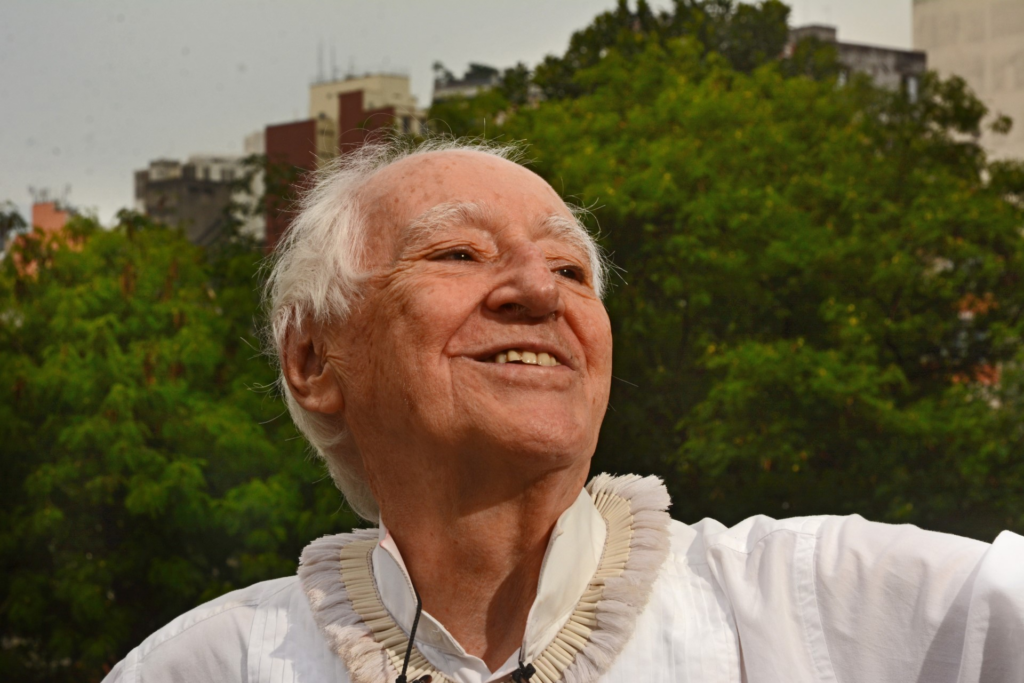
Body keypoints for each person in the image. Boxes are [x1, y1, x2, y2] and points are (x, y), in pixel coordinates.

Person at [105, 139, 1024, 683]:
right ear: (313, 359)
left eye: (572, 269)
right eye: (460, 253)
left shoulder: (813, 605)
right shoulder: (213, 665)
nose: (537, 291)